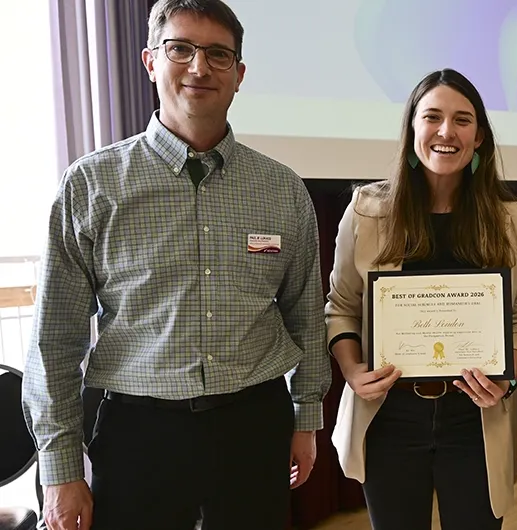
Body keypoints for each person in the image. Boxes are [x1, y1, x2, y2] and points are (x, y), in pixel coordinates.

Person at [21, 1, 331, 529]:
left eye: (218, 54)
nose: (199, 67)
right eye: (180, 49)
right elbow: (55, 340)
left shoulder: (283, 190)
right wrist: (60, 468)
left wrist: (305, 418)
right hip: (139, 434)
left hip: (255, 426)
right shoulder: (90, 186)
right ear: (149, 61)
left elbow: (304, 315)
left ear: (239, 75)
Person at [324, 68, 517, 530]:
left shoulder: (513, 219)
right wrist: (352, 370)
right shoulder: (366, 210)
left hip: (476, 420)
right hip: (389, 419)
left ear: (479, 136)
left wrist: (509, 376)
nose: (447, 131)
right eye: (433, 117)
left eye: (463, 120)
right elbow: (341, 307)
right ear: (412, 129)